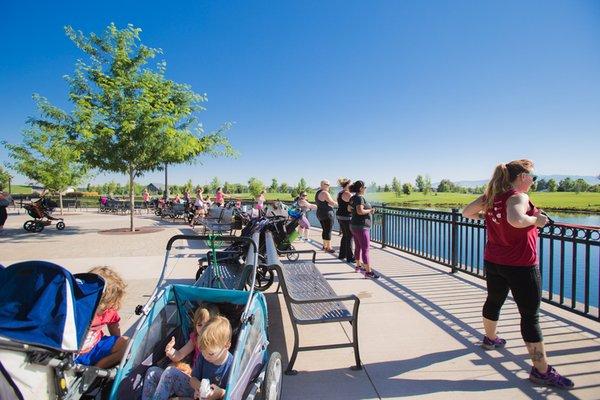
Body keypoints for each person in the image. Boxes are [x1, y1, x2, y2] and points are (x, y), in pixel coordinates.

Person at [462, 159, 574, 389]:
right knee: (530, 316)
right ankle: (541, 371)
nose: (534, 181)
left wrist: (488, 219)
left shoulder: (492, 196)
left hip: (494, 261)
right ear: (522, 176)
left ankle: (490, 339)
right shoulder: (518, 196)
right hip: (521, 265)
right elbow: (516, 219)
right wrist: (538, 220)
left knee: (494, 300)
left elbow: (467, 212)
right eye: (533, 177)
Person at [142, 304, 219, 400]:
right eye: (199, 325)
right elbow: (179, 355)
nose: (203, 328)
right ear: (195, 325)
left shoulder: (216, 345)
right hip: (190, 380)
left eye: (207, 325)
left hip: (201, 388)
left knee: (171, 372)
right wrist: (171, 351)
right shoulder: (195, 339)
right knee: (152, 371)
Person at [76, 266, 129, 368]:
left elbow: (114, 325)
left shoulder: (109, 311)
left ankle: (97, 369)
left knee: (127, 343)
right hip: (74, 353)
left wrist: (117, 343)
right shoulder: (80, 308)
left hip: (95, 347)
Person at [189, 316, 234, 400]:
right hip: (200, 396)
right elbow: (193, 379)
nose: (205, 356)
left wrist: (221, 393)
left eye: (210, 353)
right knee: (171, 373)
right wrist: (200, 389)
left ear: (226, 345)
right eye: (202, 351)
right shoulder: (203, 357)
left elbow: (235, 393)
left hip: (220, 396)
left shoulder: (232, 365)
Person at [349, 180, 379, 279]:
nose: (365, 189)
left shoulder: (353, 197)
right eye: (365, 187)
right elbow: (360, 211)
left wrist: (356, 212)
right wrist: (370, 210)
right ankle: (368, 272)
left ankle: (358, 266)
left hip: (354, 225)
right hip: (361, 227)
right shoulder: (359, 198)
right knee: (365, 250)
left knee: (358, 247)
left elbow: (349, 209)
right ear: (361, 188)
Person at [315, 180, 338, 253]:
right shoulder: (325, 193)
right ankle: (329, 247)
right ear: (322, 185)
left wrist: (331, 203)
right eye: (327, 184)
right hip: (327, 214)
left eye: (329, 184)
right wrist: (340, 203)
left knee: (324, 230)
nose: (329, 186)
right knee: (328, 230)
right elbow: (332, 203)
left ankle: (324, 245)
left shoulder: (318, 192)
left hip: (320, 213)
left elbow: (326, 202)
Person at [336, 178, 355, 263]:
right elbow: (354, 204)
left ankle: (342, 254)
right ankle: (350, 257)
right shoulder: (347, 194)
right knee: (350, 236)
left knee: (345, 235)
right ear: (347, 185)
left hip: (340, 216)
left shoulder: (340, 193)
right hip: (346, 216)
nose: (352, 186)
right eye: (351, 184)